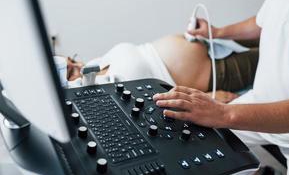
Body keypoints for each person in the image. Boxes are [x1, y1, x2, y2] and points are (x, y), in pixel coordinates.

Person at [153, 0, 289, 175]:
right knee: (192, 148)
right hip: (260, 102)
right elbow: (264, 21)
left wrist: (223, 114)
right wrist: (218, 32)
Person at [67, 34, 258, 103]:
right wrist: (207, 97)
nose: (78, 65)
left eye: (72, 59)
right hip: (216, 72)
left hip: (208, 39)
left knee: (271, 27)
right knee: (282, 52)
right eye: (71, 71)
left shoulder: (92, 65)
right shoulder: (99, 95)